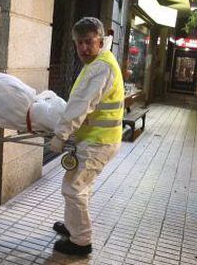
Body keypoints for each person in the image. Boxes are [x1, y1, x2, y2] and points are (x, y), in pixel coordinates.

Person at [49, 17, 124, 255]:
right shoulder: (100, 62)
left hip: (98, 142)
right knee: (81, 186)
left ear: (100, 40)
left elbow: (81, 104)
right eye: (79, 43)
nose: (83, 48)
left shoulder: (100, 66)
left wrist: (61, 134)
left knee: (73, 188)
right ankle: (74, 226)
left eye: (88, 42)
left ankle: (80, 241)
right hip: (98, 139)